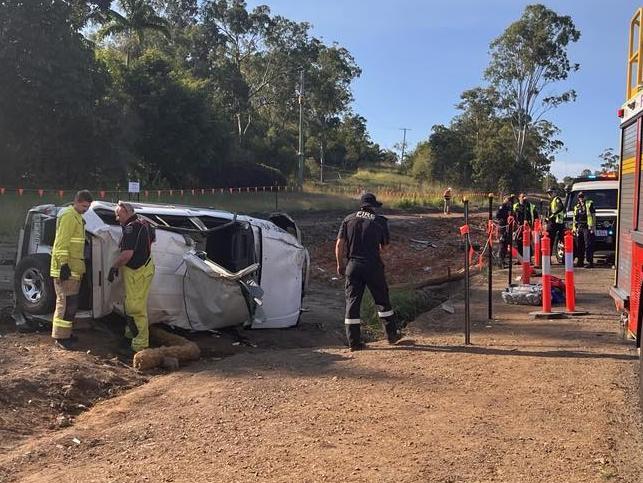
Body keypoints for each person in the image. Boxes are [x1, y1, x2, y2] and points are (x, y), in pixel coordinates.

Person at [335, 192, 401, 351]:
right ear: (372, 206)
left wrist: (340, 265)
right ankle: (391, 335)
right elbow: (384, 246)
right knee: (382, 300)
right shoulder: (380, 221)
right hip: (372, 265)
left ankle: (354, 342)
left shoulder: (348, 219)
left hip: (353, 265)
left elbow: (339, 245)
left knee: (352, 303)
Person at [108, 201, 156, 353]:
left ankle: (139, 346)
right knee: (130, 304)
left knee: (135, 308)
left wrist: (114, 266)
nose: (117, 218)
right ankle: (129, 337)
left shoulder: (131, 228)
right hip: (143, 268)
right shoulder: (144, 222)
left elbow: (127, 255)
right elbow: (152, 239)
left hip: (138, 271)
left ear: (127, 212)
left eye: (118, 214)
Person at [50, 190, 93, 349]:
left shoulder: (77, 217)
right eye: (84, 206)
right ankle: (60, 337)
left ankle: (66, 333)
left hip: (74, 270)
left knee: (71, 304)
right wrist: (63, 265)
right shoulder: (69, 216)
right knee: (65, 303)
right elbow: (61, 243)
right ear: (77, 201)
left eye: (87, 207)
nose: (85, 210)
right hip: (66, 269)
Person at [573, 192, 596, 268]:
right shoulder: (577, 207)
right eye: (579, 197)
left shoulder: (589, 204)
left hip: (587, 227)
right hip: (580, 227)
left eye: (582, 197)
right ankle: (580, 261)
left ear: (585, 197)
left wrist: (593, 227)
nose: (581, 198)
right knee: (579, 245)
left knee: (588, 245)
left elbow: (593, 216)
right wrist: (575, 228)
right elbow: (575, 219)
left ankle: (590, 262)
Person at [495, 194, 515, 268]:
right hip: (503, 226)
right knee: (502, 244)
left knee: (506, 244)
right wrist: (503, 220)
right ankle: (500, 262)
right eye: (507, 199)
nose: (508, 201)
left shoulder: (509, 207)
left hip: (508, 227)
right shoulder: (502, 206)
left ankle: (503, 260)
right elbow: (497, 216)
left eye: (509, 200)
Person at [546, 187, 566, 257]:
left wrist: (553, 214)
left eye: (551, 193)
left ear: (554, 192)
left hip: (557, 222)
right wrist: (547, 218)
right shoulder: (551, 200)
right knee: (550, 240)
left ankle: (565, 257)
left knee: (562, 240)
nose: (549, 194)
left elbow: (560, 207)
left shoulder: (557, 199)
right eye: (549, 193)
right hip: (552, 222)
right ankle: (548, 257)